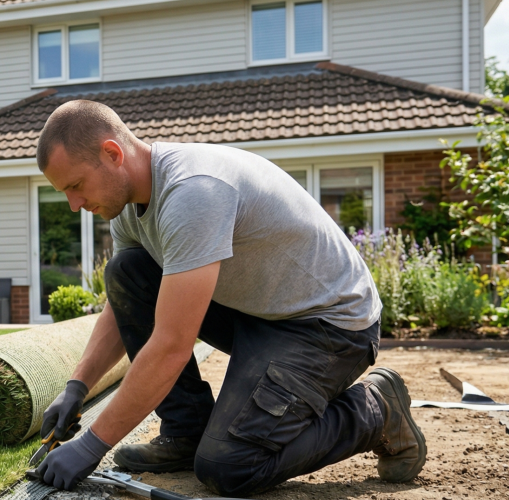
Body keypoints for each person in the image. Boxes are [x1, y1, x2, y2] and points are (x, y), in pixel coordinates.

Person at [31, 100, 426, 496]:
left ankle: (377, 409)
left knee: (231, 466)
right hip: (261, 313)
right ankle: (185, 434)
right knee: (127, 270)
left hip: (328, 326)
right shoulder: (127, 206)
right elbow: (125, 304)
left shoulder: (192, 192)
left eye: (75, 186)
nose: (74, 204)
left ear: (112, 153)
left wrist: (92, 444)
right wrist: (78, 386)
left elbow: (171, 345)